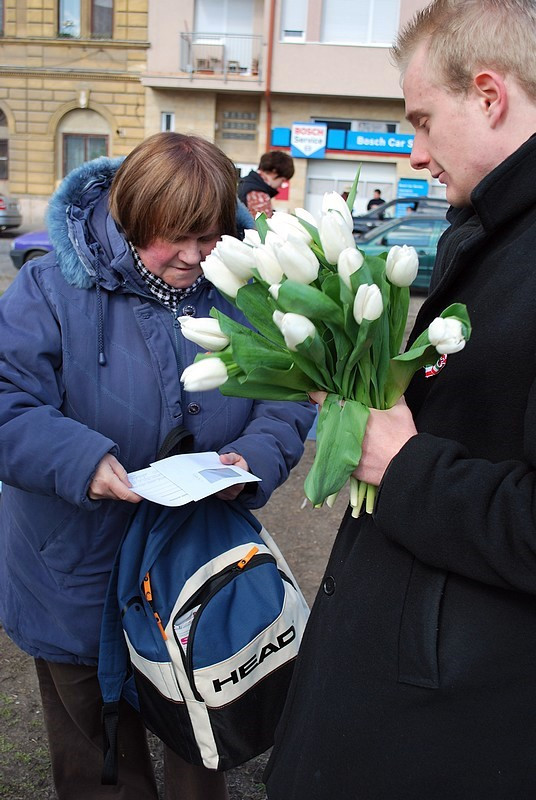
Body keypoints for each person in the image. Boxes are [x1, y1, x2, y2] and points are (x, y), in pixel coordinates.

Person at [264, 1, 536, 798]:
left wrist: (403, 462)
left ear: (489, 96)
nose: (414, 153)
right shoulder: (493, 233)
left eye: (422, 120)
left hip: (461, 721)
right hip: (418, 682)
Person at [0, 131, 315, 800]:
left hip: (193, 568)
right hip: (73, 569)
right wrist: (80, 459)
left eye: (208, 237)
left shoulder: (247, 287)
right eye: (176, 238)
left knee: (199, 740)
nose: (195, 257)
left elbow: (290, 398)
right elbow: (7, 402)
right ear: (130, 216)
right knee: (98, 758)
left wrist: (253, 457)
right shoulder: (51, 288)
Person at [237, 150, 294, 218]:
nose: (281, 185)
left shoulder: (246, 183)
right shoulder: (258, 193)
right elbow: (262, 225)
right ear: (274, 172)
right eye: (282, 180)